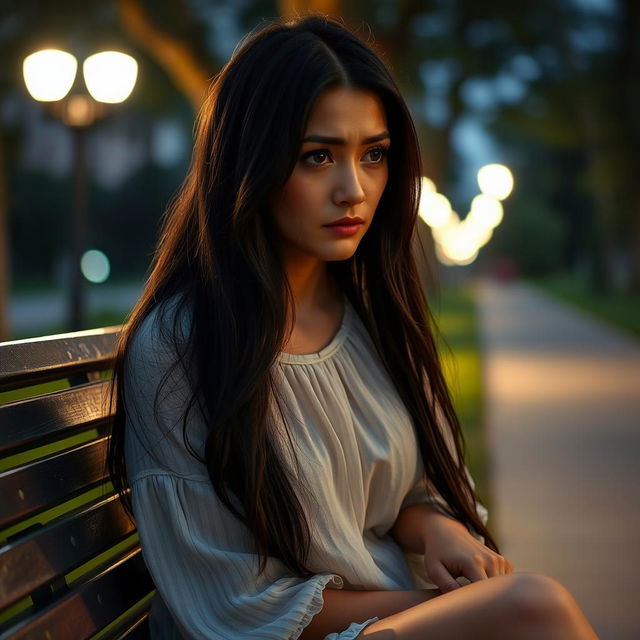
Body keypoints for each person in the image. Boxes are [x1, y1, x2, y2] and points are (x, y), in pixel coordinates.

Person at [107, 14, 599, 640]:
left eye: (373, 155)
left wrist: (437, 528)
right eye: (318, 157)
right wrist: (433, 605)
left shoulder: (368, 317)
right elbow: (234, 607)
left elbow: (406, 492)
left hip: (382, 615)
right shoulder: (182, 349)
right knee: (532, 607)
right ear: (250, 163)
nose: (355, 190)